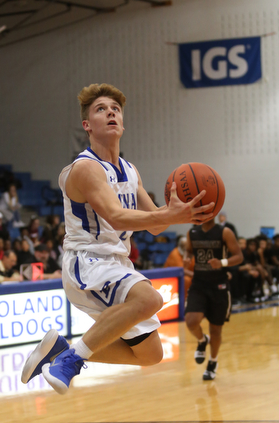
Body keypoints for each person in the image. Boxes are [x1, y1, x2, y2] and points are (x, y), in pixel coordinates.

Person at [21, 82, 214, 395]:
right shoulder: (85, 168)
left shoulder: (129, 170)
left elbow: (155, 225)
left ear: (122, 123)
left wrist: (180, 211)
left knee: (151, 354)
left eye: (116, 109)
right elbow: (117, 216)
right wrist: (167, 215)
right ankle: (70, 362)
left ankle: (60, 351)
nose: (110, 112)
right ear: (88, 125)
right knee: (150, 298)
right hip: (87, 261)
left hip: (115, 263)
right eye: (101, 109)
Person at [184, 218, 243, 380]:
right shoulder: (192, 232)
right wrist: (187, 257)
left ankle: (213, 362)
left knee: (216, 329)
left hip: (219, 286)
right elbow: (189, 250)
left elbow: (239, 256)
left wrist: (222, 262)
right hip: (199, 284)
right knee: (191, 321)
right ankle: (202, 341)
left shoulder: (224, 232)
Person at [164, 235, 194, 300]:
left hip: (189, 275)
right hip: (172, 277)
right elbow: (181, 271)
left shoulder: (192, 254)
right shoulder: (175, 254)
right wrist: (197, 275)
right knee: (186, 280)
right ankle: (183, 300)